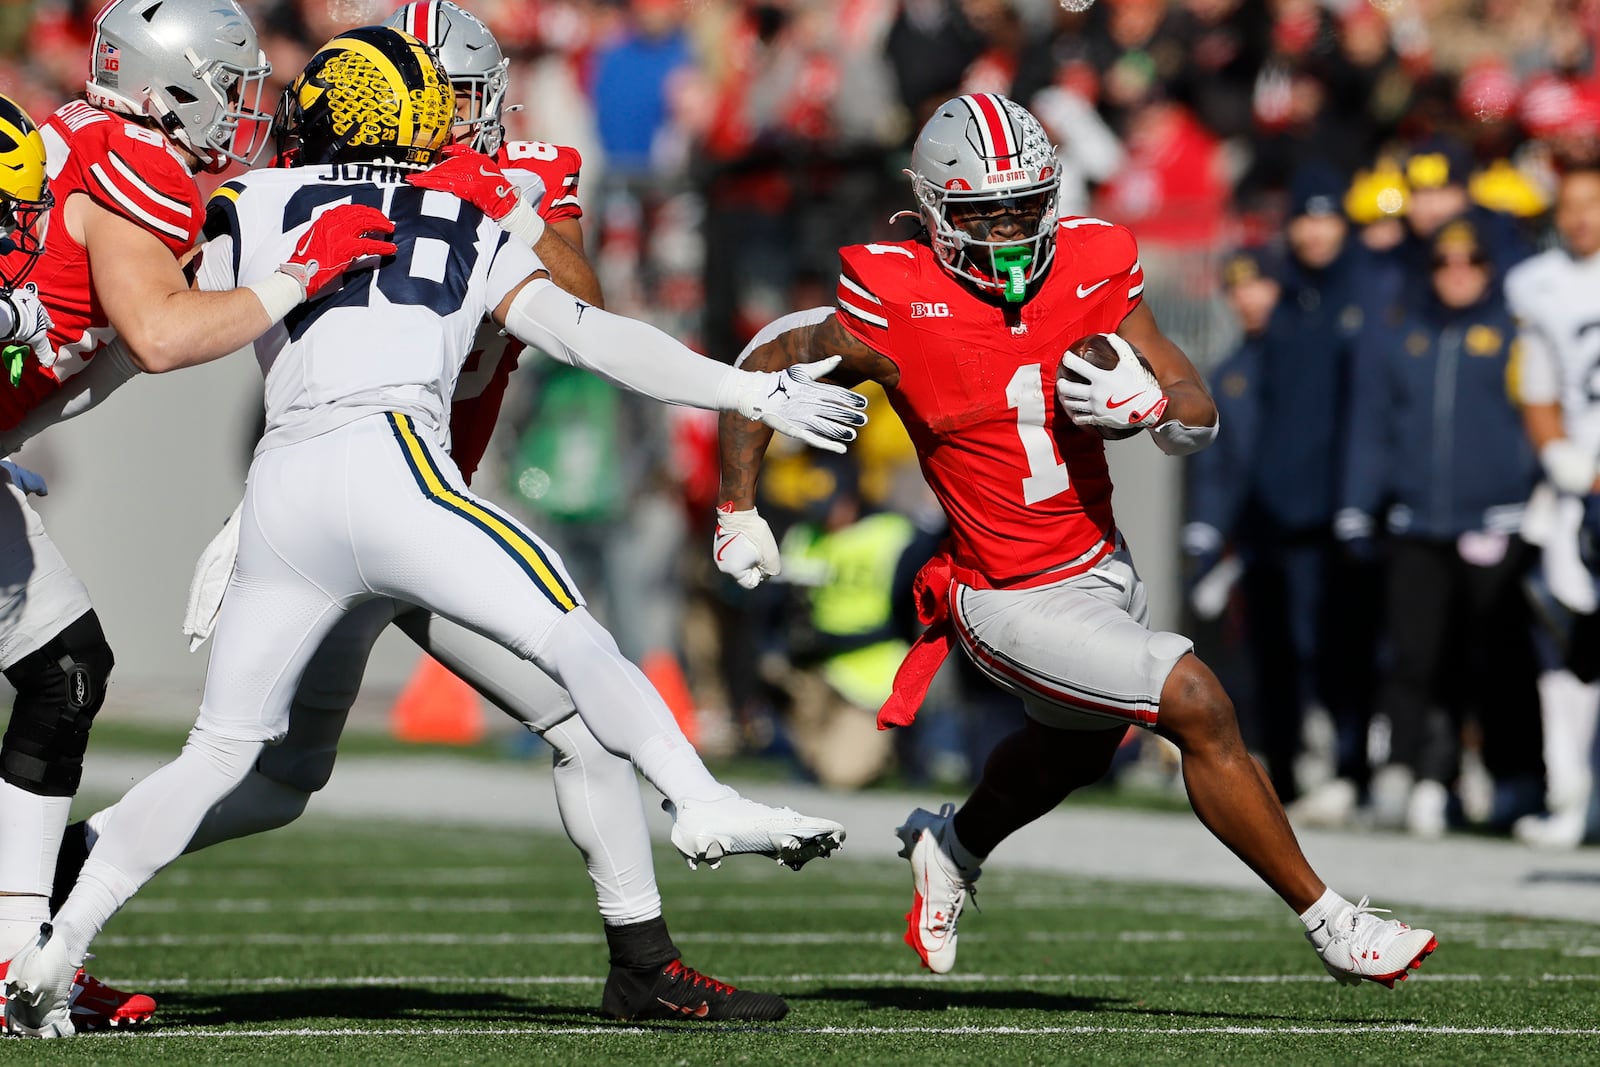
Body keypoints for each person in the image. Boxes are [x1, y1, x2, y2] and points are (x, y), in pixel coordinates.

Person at [4, 25, 866, 1038]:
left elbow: (572, 295)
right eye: (445, 102)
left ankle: (44, 920)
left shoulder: (319, 190)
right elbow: (579, 331)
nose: (464, 119)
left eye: (469, 99)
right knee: (556, 655)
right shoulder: (430, 196)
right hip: (407, 494)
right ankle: (699, 801)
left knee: (270, 764)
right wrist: (743, 384)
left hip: (330, 497)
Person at [715, 93, 1436, 986]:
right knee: (1197, 701)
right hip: (1003, 593)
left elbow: (1194, 398)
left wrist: (1158, 412)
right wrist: (736, 507)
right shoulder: (897, 298)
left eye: (1027, 205)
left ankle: (953, 845)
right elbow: (763, 365)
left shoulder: (1093, 263)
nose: (1014, 230)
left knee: (1079, 748)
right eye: (988, 213)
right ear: (936, 210)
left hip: (1101, 563)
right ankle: (1333, 923)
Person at [0, 0, 382, 1025]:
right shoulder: (138, 166)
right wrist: (305, 272)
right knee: (61, 672)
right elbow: (161, 335)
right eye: (227, 82)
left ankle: (18, 953)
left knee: (63, 671)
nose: (239, 106)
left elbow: (95, 326)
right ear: (170, 86)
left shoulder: (86, 138)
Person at [1341, 218, 1543, 837]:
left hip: (1497, 522)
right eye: (1444, 261)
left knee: (1500, 659)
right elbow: (1373, 428)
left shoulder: (1515, 333)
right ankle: (1402, 773)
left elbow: (1537, 414)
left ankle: (1516, 781)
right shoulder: (1405, 332)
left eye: (1472, 259)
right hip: (1418, 523)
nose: (1458, 271)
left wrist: (1531, 497)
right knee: (1412, 655)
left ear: (1490, 266)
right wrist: (1356, 503)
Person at [1506, 161, 1600, 849]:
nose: (1580, 216)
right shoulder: (1536, 286)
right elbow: (1537, 387)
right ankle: (1571, 790)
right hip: (1577, 489)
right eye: (1570, 203)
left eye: (1592, 202)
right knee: (1572, 648)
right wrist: (1559, 455)